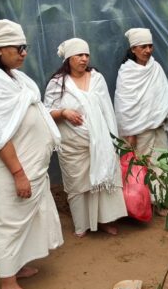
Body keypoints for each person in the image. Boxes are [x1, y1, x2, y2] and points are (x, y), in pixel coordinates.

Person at [0, 19, 63, 289]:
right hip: (9, 170)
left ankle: (17, 266)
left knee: (25, 221)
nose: (24, 53)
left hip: (28, 167)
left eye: (25, 47)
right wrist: (18, 173)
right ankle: (9, 287)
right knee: (8, 224)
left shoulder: (12, 76)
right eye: (18, 48)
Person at [44, 38, 127, 237]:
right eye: (79, 55)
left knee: (103, 180)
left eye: (86, 55)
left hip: (101, 142)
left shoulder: (97, 78)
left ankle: (105, 220)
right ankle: (82, 224)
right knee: (77, 185)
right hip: (72, 145)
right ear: (68, 58)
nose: (84, 59)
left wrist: (111, 139)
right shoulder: (58, 83)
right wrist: (64, 112)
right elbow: (45, 112)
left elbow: (107, 110)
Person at [114, 28, 168, 210]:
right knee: (139, 168)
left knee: (161, 165)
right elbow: (124, 106)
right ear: (133, 49)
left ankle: (159, 201)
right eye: (143, 46)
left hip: (157, 128)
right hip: (138, 132)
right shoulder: (126, 73)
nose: (148, 50)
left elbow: (164, 95)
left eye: (150, 46)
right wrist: (130, 133)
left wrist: (162, 117)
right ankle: (141, 205)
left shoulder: (155, 68)